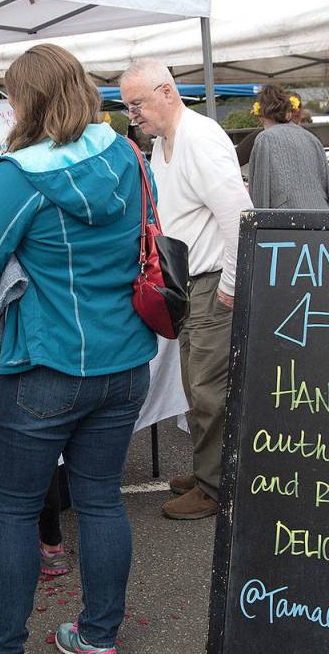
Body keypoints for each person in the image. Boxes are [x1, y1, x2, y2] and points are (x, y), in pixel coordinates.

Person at [0, 44, 156, 654]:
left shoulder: (20, 172)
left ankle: (3, 645)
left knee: (13, 513)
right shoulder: (128, 154)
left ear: (26, 103)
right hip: (123, 362)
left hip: (46, 366)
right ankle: (96, 638)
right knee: (100, 501)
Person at [119, 59, 252, 521]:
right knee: (196, 386)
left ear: (167, 92)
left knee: (209, 388)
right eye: (128, 106)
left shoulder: (200, 139)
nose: (132, 115)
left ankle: (216, 486)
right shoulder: (165, 143)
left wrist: (232, 286)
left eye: (136, 104)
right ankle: (208, 470)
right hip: (190, 282)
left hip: (214, 282)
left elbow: (240, 218)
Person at [248, 84, 329, 210]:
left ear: (261, 116)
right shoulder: (312, 139)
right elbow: (328, 188)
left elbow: (260, 192)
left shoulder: (265, 139)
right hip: (322, 216)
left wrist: (257, 225)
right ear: (287, 112)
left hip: (288, 221)